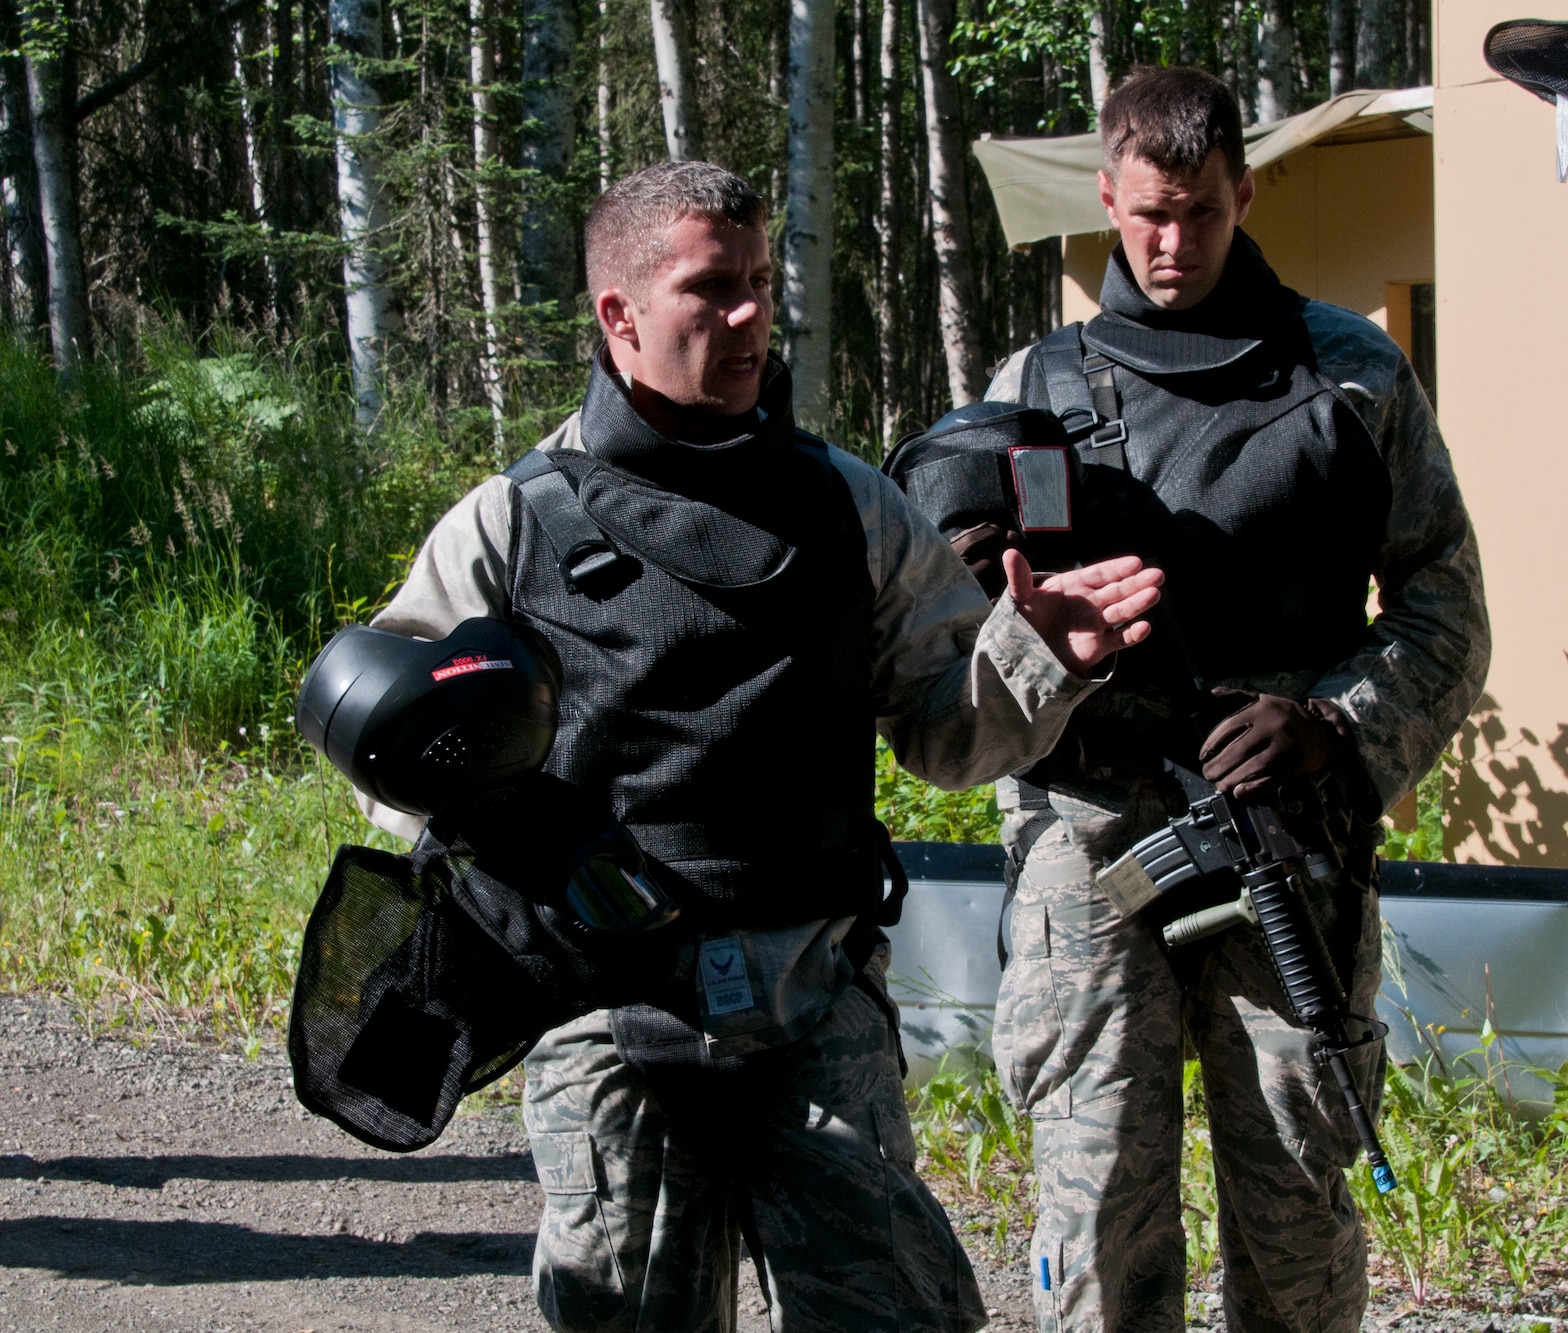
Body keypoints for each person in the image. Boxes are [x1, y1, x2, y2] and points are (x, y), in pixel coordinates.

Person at [357, 159, 1164, 1333]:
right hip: (606, 1013)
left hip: (813, 991)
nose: (746, 316)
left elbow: (945, 735)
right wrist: (508, 821)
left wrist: (1037, 656)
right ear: (618, 315)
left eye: (756, 283)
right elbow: (392, 741)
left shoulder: (849, 506)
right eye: (708, 289)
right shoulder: (513, 522)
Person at [978, 66, 1490, 1333]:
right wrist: (1041, 641)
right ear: (1103, 196)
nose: (1168, 242)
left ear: (1243, 192)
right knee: (1093, 1212)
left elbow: (1445, 607)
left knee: (1297, 1203)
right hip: (1091, 839)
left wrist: (1334, 727)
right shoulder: (1029, 385)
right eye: (1145, 213)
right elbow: (959, 644)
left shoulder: (1349, 373)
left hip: (1282, 836)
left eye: (1199, 212)